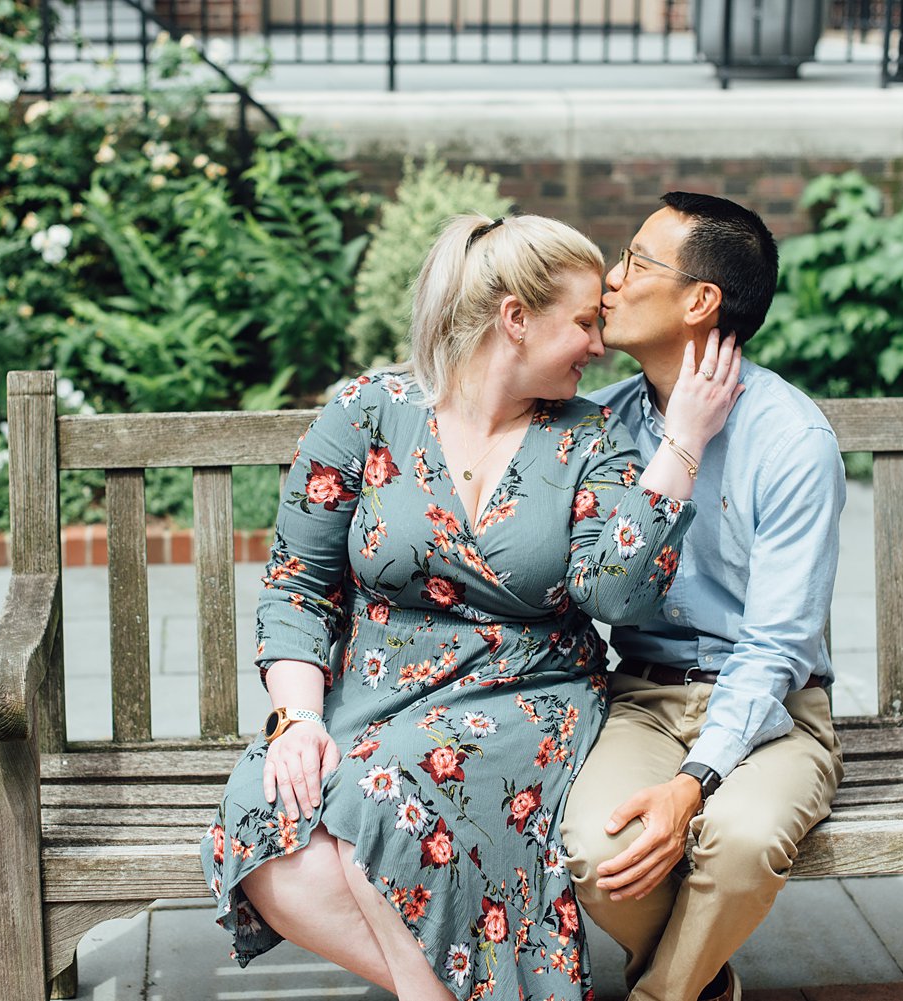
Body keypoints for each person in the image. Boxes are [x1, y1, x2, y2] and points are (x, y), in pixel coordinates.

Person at [201, 213, 745, 1000]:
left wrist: (682, 444)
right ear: (515, 319)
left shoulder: (591, 436)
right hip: (372, 690)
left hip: (523, 694)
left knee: (377, 794)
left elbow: (615, 593)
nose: (599, 346)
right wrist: (298, 718)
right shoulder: (366, 410)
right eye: (585, 323)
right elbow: (298, 583)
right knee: (266, 807)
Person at [561, 192, 848, 1001]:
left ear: (700, 300)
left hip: (776, 711)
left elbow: (778, 648)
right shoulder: (605, 426)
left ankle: (665, 992)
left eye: (636, 262)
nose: (610, 281)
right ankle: (702, 977)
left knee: (743, 837)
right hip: (643, 699)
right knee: (593, 845)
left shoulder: (790, 438)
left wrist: (695, 780)